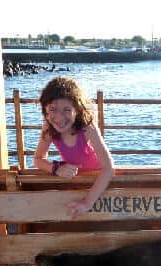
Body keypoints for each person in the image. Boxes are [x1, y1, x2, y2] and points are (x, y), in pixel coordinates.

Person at [34, 76, 114, 218]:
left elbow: (108, 167)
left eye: (66, 110)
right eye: (53, 109)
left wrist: (87, 202)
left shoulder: (87, 127)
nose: (59, 117)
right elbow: (38, 159)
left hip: (98, 185)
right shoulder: (48, 128)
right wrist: (56, 168)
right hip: (74, 182)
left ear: (77, 110)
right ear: (45, 109)